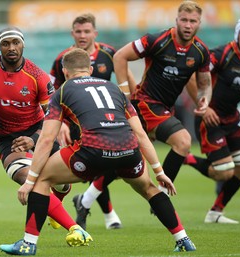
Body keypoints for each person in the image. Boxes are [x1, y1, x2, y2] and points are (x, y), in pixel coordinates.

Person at [0, 48, 196, 255]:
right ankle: (183, 239)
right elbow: (140, 134)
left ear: (65, 71)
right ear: (90, 69)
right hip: (128, 150)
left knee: (41, 180)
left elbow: (47, 139)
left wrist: (28, 182)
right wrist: (159, 171)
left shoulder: (63, 91)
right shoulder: (114, 89)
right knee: (148, 188)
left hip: (92, 151)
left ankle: (28, 244)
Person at [0, 26, 85, 244]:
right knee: (28, 179)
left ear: (23, 44)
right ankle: (75, 227)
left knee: (62, 183)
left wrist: (33, 139)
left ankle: (57, 204)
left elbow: (52, 117)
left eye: (16, 42)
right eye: (6, 44)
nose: (11, 48)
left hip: (39, 132)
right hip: (8, 139)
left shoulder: (38, 77)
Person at [184, 16, 240, 224]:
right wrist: (203, 107)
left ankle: (215, 213)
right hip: (212, 119)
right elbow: (192, 77)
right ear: (237, 33)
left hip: (232, 119)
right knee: (224, 173)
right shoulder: (221, 54)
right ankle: (186, 158)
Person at [113, 0, 212, 192]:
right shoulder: (157, 40)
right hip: (146, 103)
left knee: (125, 158)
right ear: (177, 20)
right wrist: (124, 93)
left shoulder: (201, 51)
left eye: (193, 21)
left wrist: (204, 98)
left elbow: (205, 84)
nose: (188, 25)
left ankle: (86, 199)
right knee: (183, 141)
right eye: (184, 20)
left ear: (199, 23)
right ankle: (162, 194)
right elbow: (119, 56)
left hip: (165, 108)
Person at [50, 13, 136, 230]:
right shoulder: (64, 58)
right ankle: (108, 214)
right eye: (78, 31)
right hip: (78, 121)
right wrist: (61, 123)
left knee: (110, 163)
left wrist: (131, 102)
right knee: (97, 165)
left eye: (86, 31)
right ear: (72, 33)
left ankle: (87, 204)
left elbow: (126, 77)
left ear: (94, 33)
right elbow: (54, 92)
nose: (82, 35)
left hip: (109, 120)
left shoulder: (109, 53)